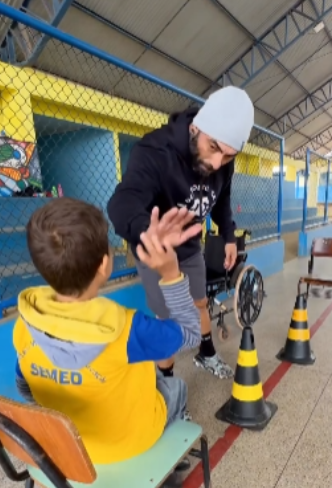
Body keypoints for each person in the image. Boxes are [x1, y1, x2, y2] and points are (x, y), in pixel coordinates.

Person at [14, 199, 202, 466]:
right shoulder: (126, 329)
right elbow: (191, 332)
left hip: (68, 448)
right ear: (104, 265)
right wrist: (171, 273)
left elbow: (25, 387)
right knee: (176, 386)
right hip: (128, 444)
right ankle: (168, 457)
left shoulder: (25, 323)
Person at [108, 86, 255, 380]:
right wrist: (149, 234)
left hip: (189, 248)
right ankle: (169, 386)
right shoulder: (155, 151)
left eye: (227, 157)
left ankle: (207, 353)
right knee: (168, 322)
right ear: (195, 127)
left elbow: (222, 198)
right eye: (213, 148)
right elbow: (122, 202)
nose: (217, 164)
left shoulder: (224, 158)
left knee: (199, 303)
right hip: (157, 251)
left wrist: (228, 235)